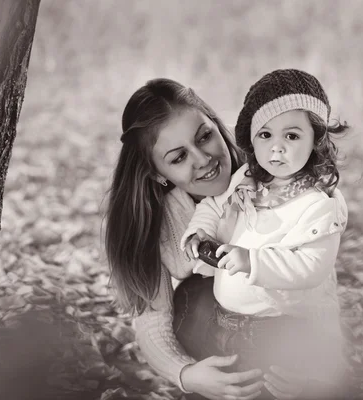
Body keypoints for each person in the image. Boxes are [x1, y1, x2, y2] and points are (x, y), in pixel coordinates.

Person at [105, 78, 343, 400]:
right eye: (178, 158)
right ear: (158, 174)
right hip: (217, 332)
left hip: (284, 324)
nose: (202, 159)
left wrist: (320, 370)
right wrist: (187, 374)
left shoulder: (273, 176)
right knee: (195, 296)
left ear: (218, 125)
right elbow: (152, 318)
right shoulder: (158, 222)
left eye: (205, 136)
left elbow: (320, 294)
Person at [181, 69, 350, 399]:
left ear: (315, 138)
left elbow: (311, 267)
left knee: (272, 390)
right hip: (226, 322)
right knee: (232, 388)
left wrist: (252, 261)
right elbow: (214, 206)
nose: (277, 149)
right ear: (251, 140)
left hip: (279, 329)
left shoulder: (317, 204)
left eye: (291, 136)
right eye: (265, 135)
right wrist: (198, 232)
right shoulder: (247, 178)